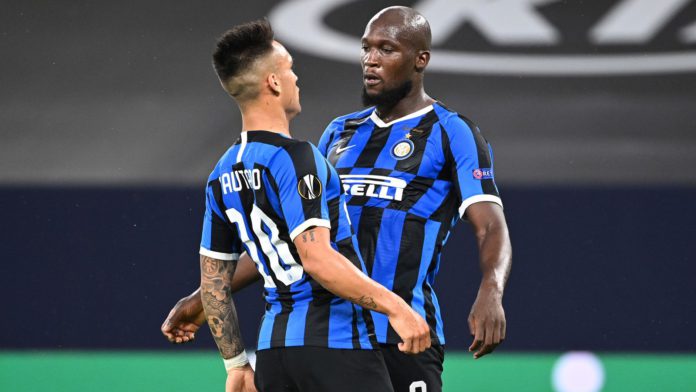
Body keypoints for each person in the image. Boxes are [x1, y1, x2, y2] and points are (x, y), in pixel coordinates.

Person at [163, 7, 512, 392]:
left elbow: (490, 225)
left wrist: (491, 291)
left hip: (403, 334)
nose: (370, 60)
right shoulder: (339, 133)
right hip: (337, 338)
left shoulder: (452, 132)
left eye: (386, 49)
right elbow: (296, 240)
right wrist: (206, 297)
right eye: (366, 48)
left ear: (420, 60)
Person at [186, 19, 430, 392]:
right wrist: (396, 307)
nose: (296, 79)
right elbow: (317, 258)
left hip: (273, 354)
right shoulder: (298, 157)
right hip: (335, 346)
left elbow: (213, 285)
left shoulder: (221, 173)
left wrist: (236, 364)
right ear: (273, 82)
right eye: (290, 69)